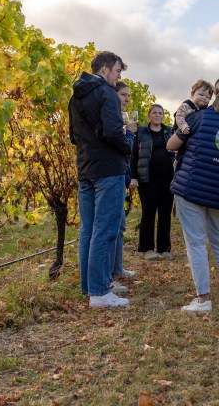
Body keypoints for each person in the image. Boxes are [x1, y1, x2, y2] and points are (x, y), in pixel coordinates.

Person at [167, 75, 219, 313]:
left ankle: (203, 299)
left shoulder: (198, 117)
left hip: (191, 188)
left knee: (196, 243)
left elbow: (172, 145)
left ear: (215, 94)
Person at [68, 51, 132, 308]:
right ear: (105, 69)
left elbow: (73, 135)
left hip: (85, 169)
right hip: (108, 168)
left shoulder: (76, 96)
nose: (118, 78)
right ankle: (99, 292)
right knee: (105, 230)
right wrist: (127, 144)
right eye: (117, 71)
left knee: (89, 230)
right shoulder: (106, 93)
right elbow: (113, 131)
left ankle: (92, 285)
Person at [130, 103, 175, 260]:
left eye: (160, 113)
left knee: (165, 213)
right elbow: (134, 155)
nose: (157, 115)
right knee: (148, 213)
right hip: (147, 179)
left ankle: (164, 248)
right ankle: (147, 248)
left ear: (163, 116)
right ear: (149, 115)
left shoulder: (169, 131)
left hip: (168, 178)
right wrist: (133, 176)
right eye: (154, 112)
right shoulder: (141, 132)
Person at [107, 81, 137, 294]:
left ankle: (116, 270)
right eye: (123, 94)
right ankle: (108, 276)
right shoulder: (112, 116)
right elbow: (123, 149)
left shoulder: (119, 117)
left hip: (119, 177)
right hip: (110, 176)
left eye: (128, 95)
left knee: (119, 227)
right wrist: (130, 134)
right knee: (112, 228)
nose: (127, 98)